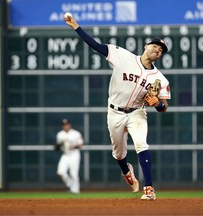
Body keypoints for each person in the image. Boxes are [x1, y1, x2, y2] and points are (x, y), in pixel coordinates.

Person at [64, 14, 171, 200]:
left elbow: (164, 107)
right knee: (118, 153)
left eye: (160, 50)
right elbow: (96, 46)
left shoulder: (160, 79)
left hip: (137, 112)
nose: (157, 50)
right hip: (114, 111)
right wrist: (76, 26)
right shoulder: (123, 56)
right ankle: (127, 172)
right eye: (154, 46)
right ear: (146, 46)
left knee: (141, 144)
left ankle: (149, 189)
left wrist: (158, 104)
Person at [54, 119, 84, 194]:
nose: (66, 126)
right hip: (65, 154)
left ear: (69, 125)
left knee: (74, 173)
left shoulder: (76, 133)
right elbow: (57, 147)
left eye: (67, 124)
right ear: (62, 126)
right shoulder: (60, 134)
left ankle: (76, 190)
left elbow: (80, 145)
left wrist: (73, 147)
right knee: (60, 172)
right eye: (64, 125)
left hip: (74, 154)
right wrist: (58, 145)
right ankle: (70, 184)